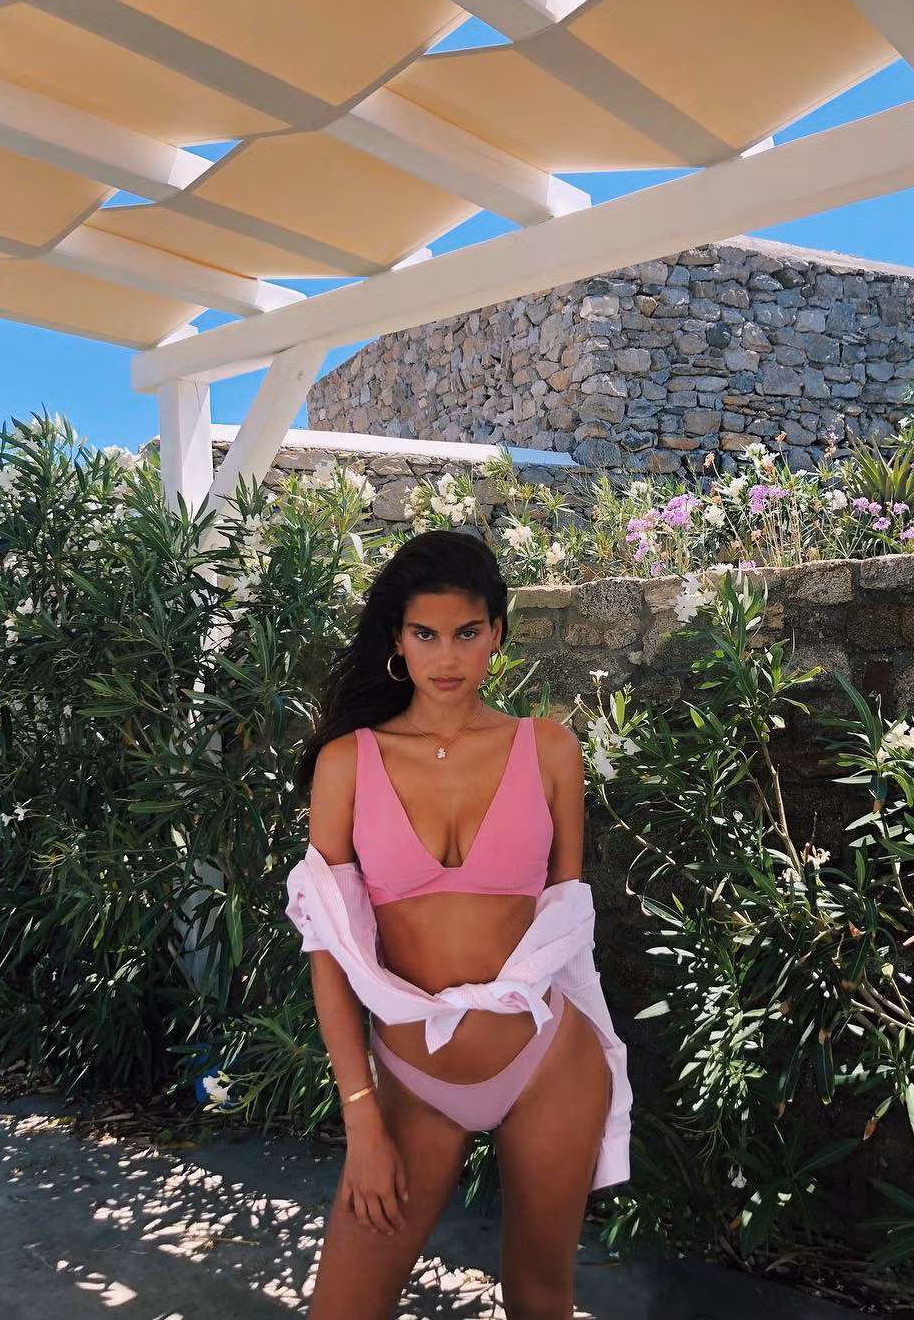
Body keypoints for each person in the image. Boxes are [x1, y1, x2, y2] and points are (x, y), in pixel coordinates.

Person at [285, 529, 631, 1320]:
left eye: (468, 633)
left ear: (497, 634)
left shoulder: (549, 750)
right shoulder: (348, 762)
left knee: (540, 1299)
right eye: (425, 635)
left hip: (547, 1061)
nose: (447, 657)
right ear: (396, 641)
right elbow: (327, 950)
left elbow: (565, 923)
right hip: (414, 1083)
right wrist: (361, 1116)